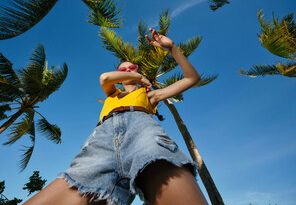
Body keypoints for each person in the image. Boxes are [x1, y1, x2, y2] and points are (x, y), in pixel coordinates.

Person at [24, 28, 208, 205]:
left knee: (165, 172)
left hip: (141, 129)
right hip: (102, 137)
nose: (128, 72)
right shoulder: (112, 94)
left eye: (132, 68)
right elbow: (104, 78)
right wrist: (136, 75)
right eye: (123, 70)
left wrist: (171, 48)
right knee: (72, 187)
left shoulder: (149, 95)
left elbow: (192, 78)